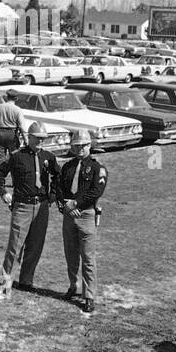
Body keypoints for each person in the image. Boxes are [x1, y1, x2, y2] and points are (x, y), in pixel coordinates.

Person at [0, 121, 60, 301]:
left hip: (42, 206)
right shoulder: (17, 156)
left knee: (35, 246)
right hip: (22, 206)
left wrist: (53, 194)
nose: (40, 142)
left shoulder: (49, 157)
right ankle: (5, 283)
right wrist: (4, 192)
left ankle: (26, 281)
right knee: (15, 246)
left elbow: (57, 176)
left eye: (43, 139)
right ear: (28, 137)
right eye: (37, 138)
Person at [58, 129, 108, 315]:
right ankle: (74, 286)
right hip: (69, 214)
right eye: (77, 145)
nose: (80, 148)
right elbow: (59, 188)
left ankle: (89, 296)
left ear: (90, 146)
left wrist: (76, 203)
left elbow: (96, 191)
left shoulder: (97, 168)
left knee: (87, 258)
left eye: (84, 145)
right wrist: (65, 206)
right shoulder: (68, 167)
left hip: (86, 215)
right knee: (70, 254)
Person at [0, 92, 24, 175]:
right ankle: (16, 181)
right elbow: (21, 125)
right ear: (16, 98)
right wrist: (25, 138)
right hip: (12, 134)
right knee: (15, 157)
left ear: (7, 97)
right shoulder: (17, 109)